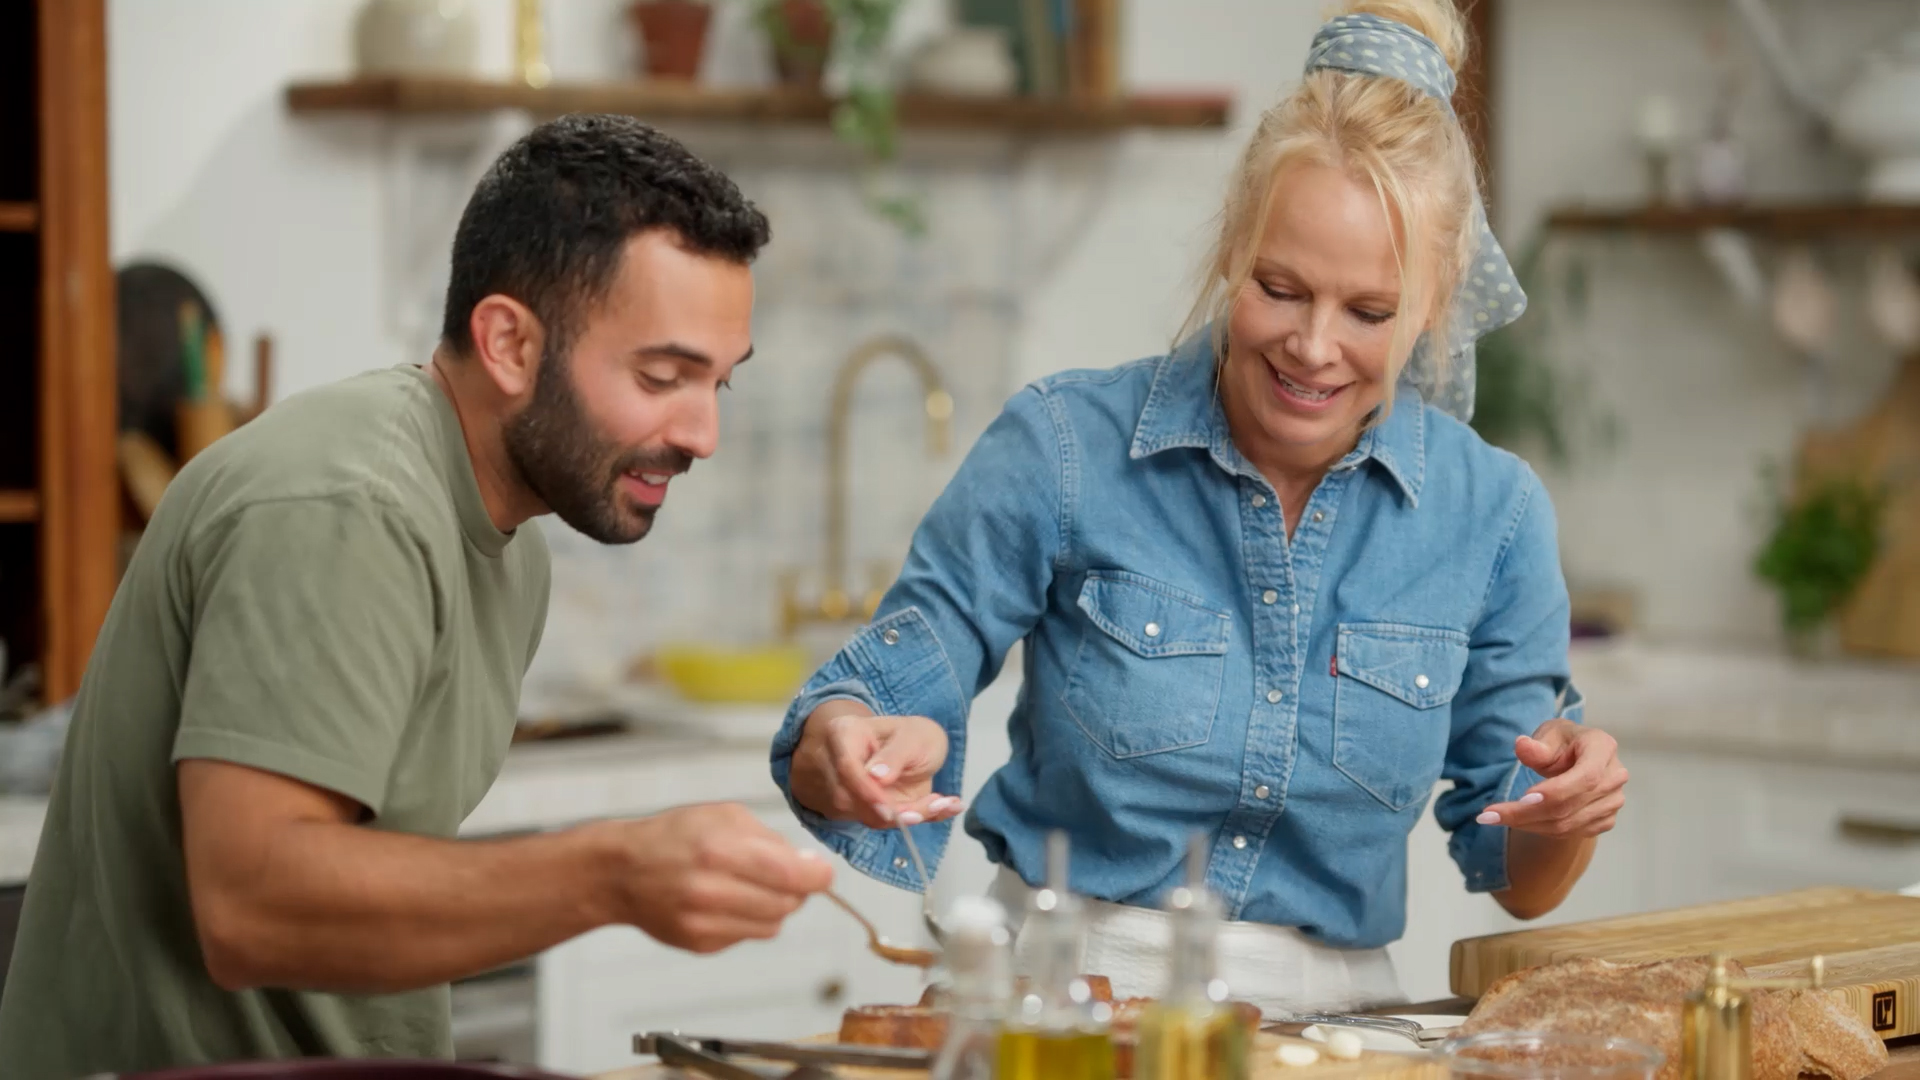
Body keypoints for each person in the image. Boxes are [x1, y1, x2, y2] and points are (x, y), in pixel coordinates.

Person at [773, 0, 1628, 1012]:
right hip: (1057, 1009)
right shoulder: (1063, 445)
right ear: (1233, 248)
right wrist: (855, 740)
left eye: (1368, 312)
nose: (1313, 346)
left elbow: (1519, 877)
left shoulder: (1493, 516)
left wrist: (1564, 812)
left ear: (1436, 306)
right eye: (1280, 287)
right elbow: (903, 668)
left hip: (1333, 1033)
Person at [0, 114, 834, 1078]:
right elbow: (250, 905)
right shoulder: (350, 503)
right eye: (662, 375)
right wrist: (612, 871)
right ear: (510, 343)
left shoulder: (510, 542)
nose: (701, 434)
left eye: (719, 385)